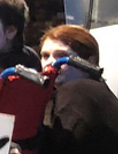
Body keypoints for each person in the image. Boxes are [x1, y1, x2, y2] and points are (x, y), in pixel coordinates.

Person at [37, 25, 118, 154]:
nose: (51, 62)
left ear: (90, 61)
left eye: (62, 55)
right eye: (45, 56)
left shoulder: (77, 90)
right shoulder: (99, 92)